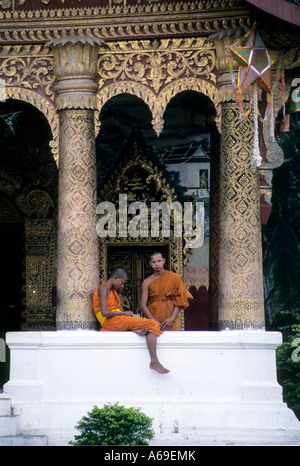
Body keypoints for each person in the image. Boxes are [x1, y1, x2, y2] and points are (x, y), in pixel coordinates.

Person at [93, 268, 169, 374]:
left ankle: (134, 328)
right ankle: (154, 362)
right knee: (152, 323)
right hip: (109, 322)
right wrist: (123, 313)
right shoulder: (103, 289)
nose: (122, 286)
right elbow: (105, 313)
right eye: (122, 283)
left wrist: (125, 315)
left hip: (116, 320)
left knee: (139, 319)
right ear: (115, 278)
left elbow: (113, 310)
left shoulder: (112, 291)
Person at [141, 252, 192, 331]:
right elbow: (143, 304)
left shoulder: (174, 278)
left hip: (171, 316)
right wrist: (153, 320)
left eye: (159, 261)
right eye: (154, 262)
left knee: (172, 341)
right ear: (150, 263)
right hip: (154, 316)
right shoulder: (147, 282)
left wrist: (172, 318)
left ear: (163, 260)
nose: (157, 264)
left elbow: (180, 299)